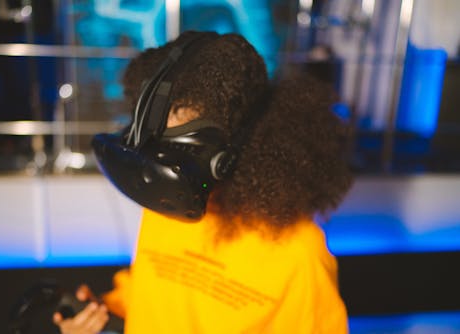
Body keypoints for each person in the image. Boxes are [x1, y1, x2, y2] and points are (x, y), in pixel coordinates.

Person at [54, 31, 353, 334]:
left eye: (181, 150)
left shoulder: (299, 256)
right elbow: (151, 289)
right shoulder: (165, 203)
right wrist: (102, 313)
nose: (162, 165)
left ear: (231, 151)